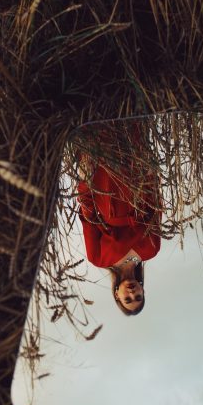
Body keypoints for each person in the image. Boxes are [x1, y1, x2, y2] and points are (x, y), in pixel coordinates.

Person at [75, 124, 161, 315]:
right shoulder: (152, 250)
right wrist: (150, 173)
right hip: (136, 181)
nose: (132, 293)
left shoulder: (97, 258)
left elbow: (88, 217)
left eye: (127, 299)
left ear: (116, 294)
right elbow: (155, 209)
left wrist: (84, 180)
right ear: (143, 290)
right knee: (131, 127)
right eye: (138, 297)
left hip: (105, 187)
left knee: (100, 128)